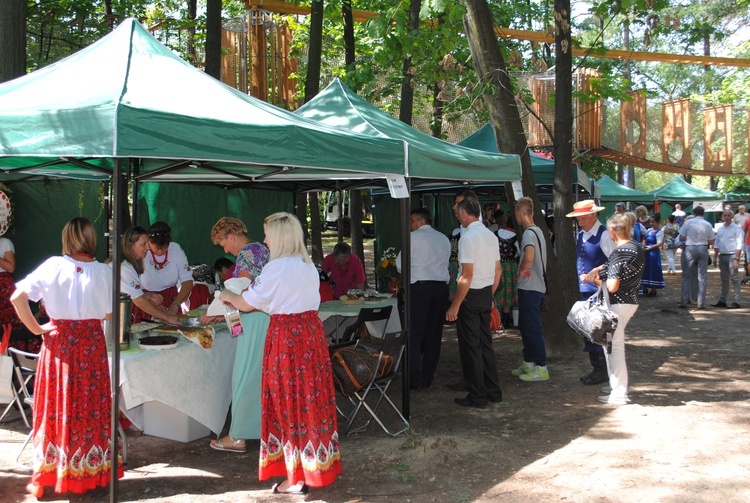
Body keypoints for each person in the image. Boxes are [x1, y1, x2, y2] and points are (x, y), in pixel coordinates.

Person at [219, 212, 341, 494]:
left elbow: (248, 303)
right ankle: (315, 465)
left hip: (286, 338)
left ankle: (294, 476)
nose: (264, 240)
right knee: (310, 403)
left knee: (286, 403)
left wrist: (227, 296)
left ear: (279, 236)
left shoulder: (276, 269)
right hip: (310, 336)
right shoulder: (307, 265)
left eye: (268, 234)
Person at [10, 217, 123, 497]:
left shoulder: (52, 266)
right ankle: (89, 470)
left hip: (59, 342)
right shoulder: (105, 272)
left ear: (66, 239)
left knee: (58, 405)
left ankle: (56, 469)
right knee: (90, 405)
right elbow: (109, 312)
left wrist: (37, 329)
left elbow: (17, 297)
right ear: (91, 239)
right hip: (91, 345)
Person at [206, 217, 271, 453]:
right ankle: (259, 430)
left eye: (223, 244)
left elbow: (241, 290)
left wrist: (216, 309)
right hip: (263, 317)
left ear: (231, 237)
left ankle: (237, 436)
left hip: (254, 319)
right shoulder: (263, 249)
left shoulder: (248, 252)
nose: (226, 250)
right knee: (258, 377)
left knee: (243, 377)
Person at [445, 197, 502, 408]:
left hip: (471, 294)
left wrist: (455, 304)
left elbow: (466, 275)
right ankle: (493, 390)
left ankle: (478, 394)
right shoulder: (490, 235)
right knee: (485, 344)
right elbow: (498, 270)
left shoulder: (467, 237)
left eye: (458, 212)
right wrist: (490, 293)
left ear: (464, 213)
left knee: (472, 347)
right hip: (485, 292)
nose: (457, 216)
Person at [589, 213, 644, 405]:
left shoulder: (619, 252)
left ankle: (619, 392)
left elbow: (612, 285)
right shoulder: (635, 247)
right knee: (611, 346)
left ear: (612, 230)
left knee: (614, 349)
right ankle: (616, 386)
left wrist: (596, 279)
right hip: (629, 301)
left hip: (617, 304)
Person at [396, 208, 451, 390]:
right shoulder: (443, 238)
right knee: (434, 333)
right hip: (441, 288)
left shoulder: (413, 238)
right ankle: (427, 376)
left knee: (415, 334)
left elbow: (399, 264)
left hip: (420, 288)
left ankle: (414, 377)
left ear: (420, 222)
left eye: (412, 221)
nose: (410, 225)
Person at [566, 199, 615, 386]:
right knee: (588, 329)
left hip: (600, 291)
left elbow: (614, 262)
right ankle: (597, 367)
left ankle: (603, 369)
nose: (580, 221)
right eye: (578, 218)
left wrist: (597, 274)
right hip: (586, 291)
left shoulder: (604, 236)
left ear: (594, 215)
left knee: (600, 329)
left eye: (583, 218)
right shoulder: (581, 234)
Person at [512, 197, 550, 382]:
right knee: (526, 327)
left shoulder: (528, 234)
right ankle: (529, 362)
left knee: (532, 328)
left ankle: (541, 367)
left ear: (520, 213)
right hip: (535, 287)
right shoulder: (539, 231)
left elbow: (529, 255)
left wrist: (522, 269)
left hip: (530, 287)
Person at [446, 189, 480, 393]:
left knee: (472, 341)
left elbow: (468, 272)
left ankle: (473, 382)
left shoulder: (471, 232)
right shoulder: (465, 230)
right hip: (472, 287)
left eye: (458, 204)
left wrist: (456, 303)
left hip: (472, 290)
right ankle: (469, 378)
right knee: (470, 340)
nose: (454, 208)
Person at [120, 227, 181, 325]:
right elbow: (139, 301)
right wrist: (167, 317)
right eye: (143, 244)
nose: (148, 248)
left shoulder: (131, 265)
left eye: (147, 243)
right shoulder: (124, 268)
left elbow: (130, 293)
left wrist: (148, 295)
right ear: (131, 246)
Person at [139, 221, 194, 316]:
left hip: (172, 300)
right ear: (149, 242)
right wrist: (149, 298)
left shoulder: (175, 250)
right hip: (146, 301)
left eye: (165, 247)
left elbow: (188, 281)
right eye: (157, 248)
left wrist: (176, 304)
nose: (160, 251)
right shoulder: (142, 252)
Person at [678, 205, 715, 310]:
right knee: (702, 276)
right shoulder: (707, 224)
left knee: (686, 275)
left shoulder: (688, 223)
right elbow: (711, 241)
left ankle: (684, 300)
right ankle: (700, 302)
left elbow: (681, 237)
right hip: (703, 247)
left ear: (694, 213)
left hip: (690, 247)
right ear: (703, 213)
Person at [711, 209, 743, 309]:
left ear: (732, 217)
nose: (726, 217)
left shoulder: (736, 228)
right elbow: (717, 244)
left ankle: (736, 301)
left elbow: (739, 244)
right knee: (724, 279)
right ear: (722, 217)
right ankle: (722, 300)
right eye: (725, 215)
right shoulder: (720, 229)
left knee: (734, 278)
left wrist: (736, 259)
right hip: (722, 255)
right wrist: (715, 257)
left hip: (732, 255)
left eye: (729, 215)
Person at [494, 213, 518, 329]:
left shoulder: (495, 235)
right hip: (511, 266)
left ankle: (496, 318)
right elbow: (518, 252)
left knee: (497, 290)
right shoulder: (515, 236)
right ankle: (505, 320)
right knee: (508, 293)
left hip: (497, 264)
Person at [641, 213, 665, 297]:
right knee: (645, 269)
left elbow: (659, 244)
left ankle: (653, 289)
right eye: (650, 222)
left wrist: (648, 248)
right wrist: (643, 246)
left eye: (653, 222)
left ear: (658, 222)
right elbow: (644, 238)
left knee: (653, 269)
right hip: (646, 253)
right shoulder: (648, 230)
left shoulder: (660, 232)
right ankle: (644, 288)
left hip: (653, 253)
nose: (651, 224)